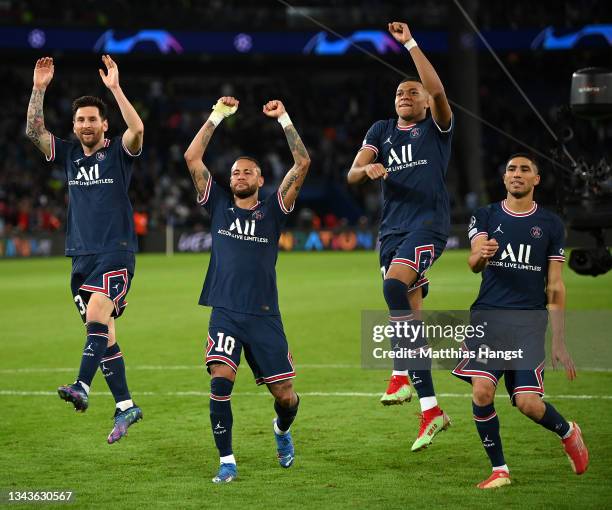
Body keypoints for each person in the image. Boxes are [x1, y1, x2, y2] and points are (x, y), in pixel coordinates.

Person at [183, 96, 310, 483]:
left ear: (260, 180)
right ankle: (227, 461)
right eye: (236, 172)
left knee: (285, 396)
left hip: (263, 314)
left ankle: (282, 431)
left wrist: (284, 118)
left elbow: (302, 163)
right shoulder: (218, 204)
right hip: (224, 311)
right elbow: (192, 158)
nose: (239, 176)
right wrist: (217, 115)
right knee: (220, 383)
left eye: (247, 172)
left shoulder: (273, 211)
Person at [25, 56, 144, 443]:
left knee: (97, 311)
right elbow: (33, 131)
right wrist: (39, 87)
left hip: (115, 250)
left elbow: (137, 129)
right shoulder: (70, 155)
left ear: (104, 124)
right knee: (103, 333)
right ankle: (126, 405)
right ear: (74, 127)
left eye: (93, 119)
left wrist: (115, 89)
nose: (86, 125)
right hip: (80, 257)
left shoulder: (118, 154)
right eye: (80, 120)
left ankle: (82, 386)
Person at [453, 153, 589, 488]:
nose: (516, 174)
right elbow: (473, 262)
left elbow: (555, 284)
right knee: (483, 390)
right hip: (489, 319)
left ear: (536, 180)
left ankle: (568, 431)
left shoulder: (551, 225)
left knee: (528, 403)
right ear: (504, 179)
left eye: (524, 169)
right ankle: (500, 470)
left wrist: (558, 340)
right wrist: (480, 256)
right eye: (511, 168)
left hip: (529, 324)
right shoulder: (485, 215)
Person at [347, 21, 453, 451]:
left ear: (426, 103)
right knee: (410, 316)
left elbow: (440, 92)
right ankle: (431, 409)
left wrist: (409, 43)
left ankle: (397, 371)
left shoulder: (437, 129)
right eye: (398, 93)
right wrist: (366, 169)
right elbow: (352, 172)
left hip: (427, 224)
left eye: (412, 93)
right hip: (390, 232)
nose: (404, 97)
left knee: (393, 287)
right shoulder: (380, 131)